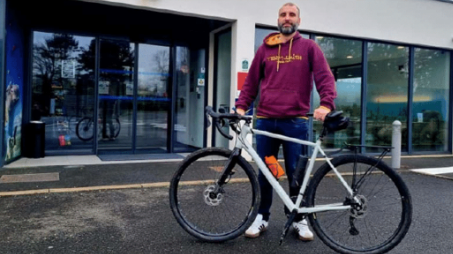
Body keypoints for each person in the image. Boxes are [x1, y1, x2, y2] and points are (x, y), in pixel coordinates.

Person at [235, 2, 337, 241]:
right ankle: (262, 216)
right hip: (266, 122)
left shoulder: (309, 47)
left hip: (295, 122)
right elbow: (251, 82)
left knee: (296, 173)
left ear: (298, 21)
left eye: (292, 15)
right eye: (283, 14)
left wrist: (326, 103)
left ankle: (299, 218)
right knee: (267, 173)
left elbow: (324, 77)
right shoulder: (265, 50)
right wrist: (241, 106)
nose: (287, 18)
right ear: (278, 20)